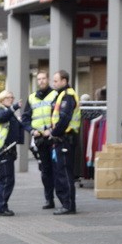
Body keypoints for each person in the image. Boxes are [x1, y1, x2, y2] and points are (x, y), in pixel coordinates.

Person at [23, 70, 60, 209]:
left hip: (54, 137)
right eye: (39, 79)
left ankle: (61, 198)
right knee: (45, 171)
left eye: (43, 78)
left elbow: (60, 116)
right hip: (40, 140)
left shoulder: (55, 95)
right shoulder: (32, 98)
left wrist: (51, 130)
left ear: (48, 79)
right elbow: (25, 118)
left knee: (57, 169)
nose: (41, 81)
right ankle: (49, 199)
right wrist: (32, 131)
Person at [46, 70, 81, 215]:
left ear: (64, 81)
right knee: (60, 172)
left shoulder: (68, 96)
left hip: (66, 139)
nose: (53, 83)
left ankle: (68, 205)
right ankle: (66, 203)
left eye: (56, 81)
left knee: (65, 173)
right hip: (61, 139)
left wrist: (53, 133)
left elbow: (64, 118)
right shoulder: (61, 95)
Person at [0, 90, 25, 216]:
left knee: (3, 179)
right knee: (7, 180)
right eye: (9, 97)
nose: (12, 99)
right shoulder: (1, 110)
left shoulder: (7, 111)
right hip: (3, 150)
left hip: (8, 149)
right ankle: (0, 207)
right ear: (3, 99)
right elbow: (0, 119)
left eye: (12, 97)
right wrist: (14, 108)